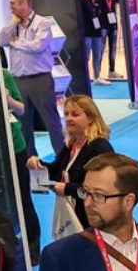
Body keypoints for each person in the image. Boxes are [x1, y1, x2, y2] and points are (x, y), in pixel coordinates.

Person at [27, 93, 115, 230]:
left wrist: (68, 189)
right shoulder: (71, 145)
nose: (69, 119)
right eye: (66, 114)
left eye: (75, 114)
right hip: (74, 212)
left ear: (90, 118)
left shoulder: (100, 146)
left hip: (93, 217)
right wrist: (38, 165)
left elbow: (103, 187)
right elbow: (57, 172)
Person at [0, 0, 65, 155]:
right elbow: (0, 40)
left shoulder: (42, 23)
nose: (10, 7)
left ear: (24, 3)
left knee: (52, 122)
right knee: (24, 123)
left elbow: (38, 46)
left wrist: (14, 43)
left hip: (40, 79)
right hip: (19, 80)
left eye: (13, 4)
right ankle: (30, 159)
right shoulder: (13, 24)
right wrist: (13, 23)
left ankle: (63, 157)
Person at [80, 0, 111, 84]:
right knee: (87, 56)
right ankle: (85, 77)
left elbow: (101, 14)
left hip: (97, 32)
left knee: (97, 55)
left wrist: (103, 28)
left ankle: (97, 76)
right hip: (87, 32)